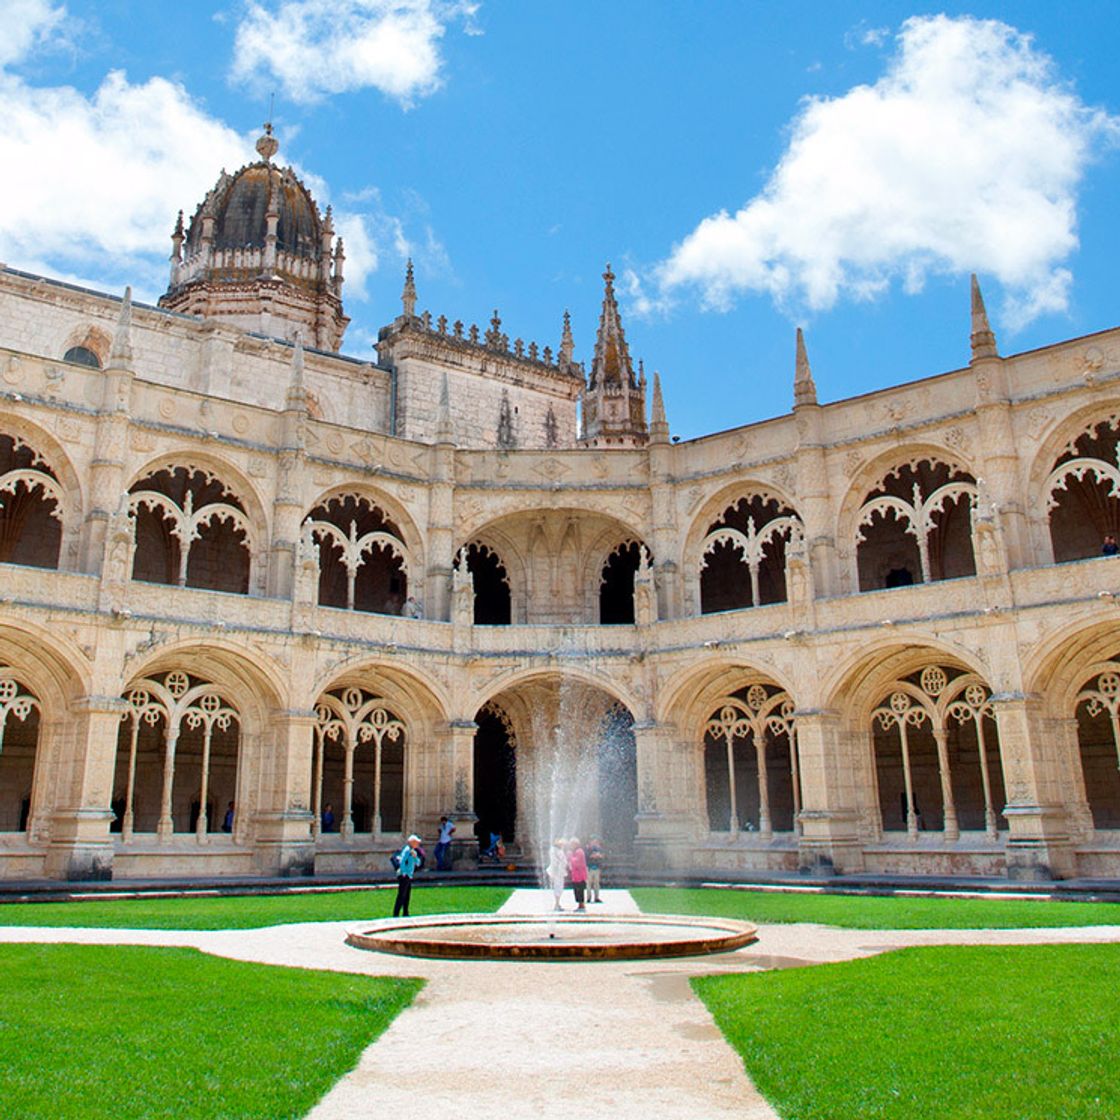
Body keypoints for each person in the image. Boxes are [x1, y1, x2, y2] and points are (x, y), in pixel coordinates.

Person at [393, 834, 423, 918]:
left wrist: (415, 856)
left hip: (409, 875)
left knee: (407, 895)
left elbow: (418, 863)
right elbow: (402, 862)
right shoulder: (406, 850)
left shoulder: (413, 851)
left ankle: (405, 912)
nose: (418, 844)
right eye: (416, 842)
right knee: (401, 895)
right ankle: (396, 913)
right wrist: (404, 873)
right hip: (404, 876)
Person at [547, 838, 568, 911]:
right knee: (558, 887)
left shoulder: (557, 850)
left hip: (559, 871)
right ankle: (556, 904)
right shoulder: (555, 850)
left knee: (559, 887)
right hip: (557, 872)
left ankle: (557, 903)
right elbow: (556, 861)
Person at [567, 838, 588, 912]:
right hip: (575, 876)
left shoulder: (579, 851)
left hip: (580, 876)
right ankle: (580, 905)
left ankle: (581, 905)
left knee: (580, 891)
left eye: (572, 844)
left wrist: (570, 857)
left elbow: (577, 862)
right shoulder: (575, 852)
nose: (571, 846)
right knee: (577, 891)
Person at [586, 836, 604, 903]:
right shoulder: (587, 848)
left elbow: (602, 856)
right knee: (589, 883)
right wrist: (594, 856)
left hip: (597, 868)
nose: (595, 843)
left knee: (596, 883)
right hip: (589, 868)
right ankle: (588, 897)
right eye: (593, 841)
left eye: (596, 841)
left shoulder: (599, 849)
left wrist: (598, 856)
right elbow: (587, 856)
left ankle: (596, 897)